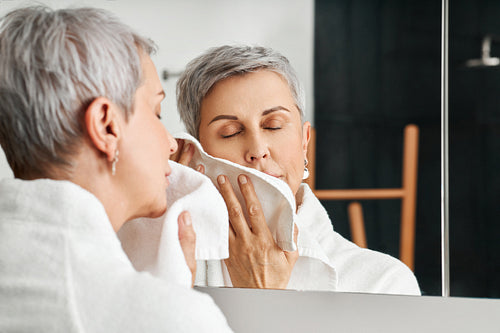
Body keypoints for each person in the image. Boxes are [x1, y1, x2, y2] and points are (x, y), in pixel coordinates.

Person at [0, 7, 231, 332]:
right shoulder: (166, 317)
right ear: (106, 126)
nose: (171, 144)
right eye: (157, 112)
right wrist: (171, 309)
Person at [175, 45, 421, 295]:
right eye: (231, 132)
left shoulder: (384, 284)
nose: (258, 150)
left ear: (304, 142)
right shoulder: (170, 269)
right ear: (195, 154)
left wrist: (263, 295)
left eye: (273, 126)